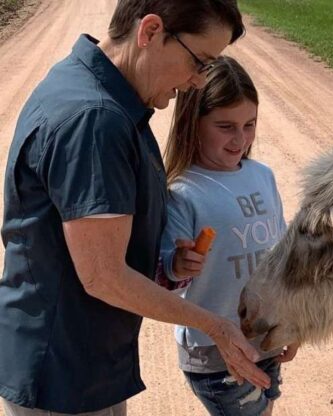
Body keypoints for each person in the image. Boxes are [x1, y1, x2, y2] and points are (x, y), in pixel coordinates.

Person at [0, 2, 271, 415]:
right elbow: (104, 276)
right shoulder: (95, 119)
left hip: (82, 364)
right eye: (199, 61)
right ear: (150, 31)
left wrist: (168, 263)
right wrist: (214, 325)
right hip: (63, 376)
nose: (198, 80)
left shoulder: (93, 89)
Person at [157, 55, 299, 416]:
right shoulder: (182, 192)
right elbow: (163, 276)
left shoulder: (263, 176)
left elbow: (281, 258)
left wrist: (293, 321)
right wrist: (178, 264)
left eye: (249, 124)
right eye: (225, 126)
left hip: (266, 335)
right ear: (193, 122)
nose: (240, 139)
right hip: (213, 351)